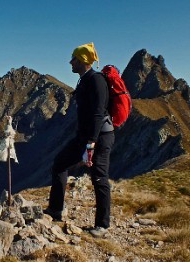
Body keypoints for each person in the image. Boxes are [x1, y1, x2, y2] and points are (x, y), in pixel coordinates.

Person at [46, 42, 116, 238]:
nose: (70, 62)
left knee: (99, 177)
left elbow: (98, 113)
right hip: (86, 136)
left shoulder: (96, 80)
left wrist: (91, 143)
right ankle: (55, 209)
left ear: (83, 60)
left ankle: (103, 225)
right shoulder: (85, 80)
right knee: (60, 163)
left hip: (100, 137)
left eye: (74, 59)